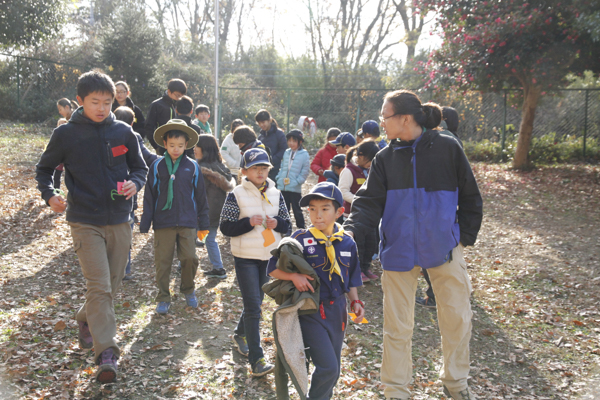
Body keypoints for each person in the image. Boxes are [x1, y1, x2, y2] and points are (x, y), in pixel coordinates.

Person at [343, 90, 483, 400]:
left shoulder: (448, 147)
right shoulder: (384, 157)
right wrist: (350, 232)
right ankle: (396, 390)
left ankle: (456, 383)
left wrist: (462, 236)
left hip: (444, 247)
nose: (382, 121)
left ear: (405, 118)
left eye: (385, 115)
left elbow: (470, 194)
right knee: (397, 326)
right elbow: (367, 203)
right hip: (399, 250)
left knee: (457, 319)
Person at [36, 70, 148, 383]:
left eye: (107, 102)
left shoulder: (124, 131)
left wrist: (134, 185)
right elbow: (44, 170)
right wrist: (50, 195)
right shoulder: (66, 135)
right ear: (80, 101)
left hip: (120, 219)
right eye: (95, 102)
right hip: (84, 220)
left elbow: (140, 168)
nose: (101, 108)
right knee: (99, 286)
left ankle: (86, 318)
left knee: (110, 285)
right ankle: (107, 353)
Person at [266, 182, 364, 400]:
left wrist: (356, 302)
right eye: (312, 209)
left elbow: (352, 277)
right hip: (311, 311)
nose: (317, 215)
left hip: (338, 311)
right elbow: (272, 268)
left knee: (334, 369)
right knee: (328, 368)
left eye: (324, 209)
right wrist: (294, 276)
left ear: (339, 212)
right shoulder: (299, 240)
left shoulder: (347, 243)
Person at [219, 148, 291, 377]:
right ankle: (257, 359)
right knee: (253, 308)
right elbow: (226, 227)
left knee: (257, 302)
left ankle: (240, 335)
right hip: (245, 259)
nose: (260, 172)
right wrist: (248, 222)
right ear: (244, 172)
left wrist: (276, 224)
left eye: (264, 168)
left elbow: (288, 225)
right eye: (254, 168)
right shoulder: (236, 194)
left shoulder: (277, 193)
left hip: (269, 257)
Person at [140, 120, 210, 315]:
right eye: (172, 145)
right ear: (164, 143)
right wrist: (146, 222)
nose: (176, 149)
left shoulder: (193, 167)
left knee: (189, 257)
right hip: (164, 222)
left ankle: (188, 289)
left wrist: (203, 223)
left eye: (180, 146)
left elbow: (200, 197)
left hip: (188, 221)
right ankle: (163, 297)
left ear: (186, 145)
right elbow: (149, 195)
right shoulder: (157, 166)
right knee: (162, 262)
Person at [416, 106, 463, 309]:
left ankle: (435, 295)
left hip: (436, 203)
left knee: (432, 250)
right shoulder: (453, 139)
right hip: (448, 202)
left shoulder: (441, 141)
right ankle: (442, 291)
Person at [113, 106, 158, 281]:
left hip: (113, 189)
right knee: (125, 231)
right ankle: (125, 269)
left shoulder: (106, 135)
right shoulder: (133, 136)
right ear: (133, 122)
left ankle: (118, 268)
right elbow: (147, 158)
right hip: (127, 188)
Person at [194, 134, 235, 279]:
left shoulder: (201, 169)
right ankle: (217, 268)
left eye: (196, 146)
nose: (194, 149)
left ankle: (218, 268)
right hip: (216, 211)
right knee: (206, 238)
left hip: (203, 211)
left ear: (203, 149)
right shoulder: (221, 167)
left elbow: (197, 193)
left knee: (198, 238)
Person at [339, 140, 380, 283]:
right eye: (370, 160)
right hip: (353, 215)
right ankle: (357, 270)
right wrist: (360, 200)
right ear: (361, 156)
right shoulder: (349, 170)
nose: (371, 164)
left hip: (369, 215)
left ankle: (365, 267)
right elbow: (343, 192)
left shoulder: (370, 170)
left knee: (371, 242)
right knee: (359, 244)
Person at [276, 129, 310, 230]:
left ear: (300, 142)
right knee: (284, 208)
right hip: (283, 186)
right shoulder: (286, 152)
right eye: (289, 140)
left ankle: (301, 228)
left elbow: (305, 170)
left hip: (295, 187)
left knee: (297, 209)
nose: (291, 143)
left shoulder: (304, 154)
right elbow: (283, 166)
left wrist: (298, 181)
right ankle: (286, 227)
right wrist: (279, 178)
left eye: (294, 141)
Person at [144, 78, 187, 154]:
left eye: (181, 96)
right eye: (177, 95)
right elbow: (149, 127)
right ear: (169, 91)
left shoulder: (179, 105)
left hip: (178, 148)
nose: (179, 98)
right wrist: (156, 146)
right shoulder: (157, 105)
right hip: (162, 147)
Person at [255, 109, 287, 183]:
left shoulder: (279, 134)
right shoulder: (260, 137)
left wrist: (272, 161)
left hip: (276, 170)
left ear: (269, 120)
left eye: (263, 122)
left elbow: (283, 149)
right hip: (262, 170)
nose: (261, 125)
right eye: (259, 123)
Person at [53, 98, 78, 189]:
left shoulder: (74, 118)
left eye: (60, 109)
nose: (59, 112)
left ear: (67, 107)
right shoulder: (66, 119)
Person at [175, 95, 201, 160]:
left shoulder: (170, 126)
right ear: (191, 111)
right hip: (190, 161)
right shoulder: (196, 129)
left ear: (176, 110)